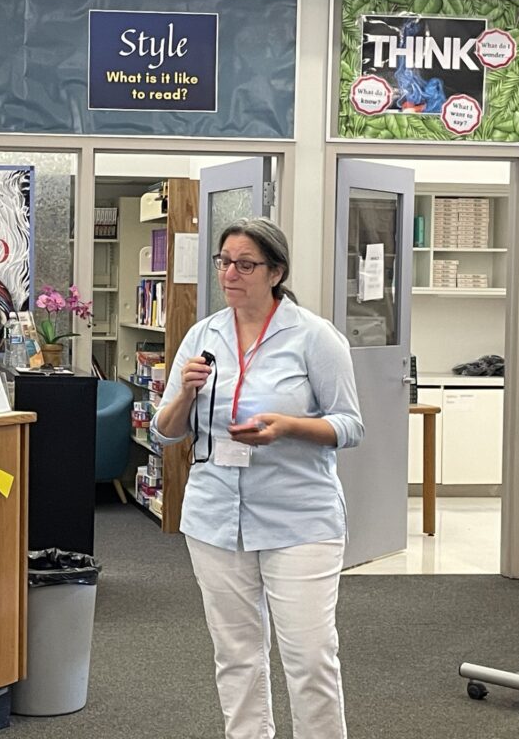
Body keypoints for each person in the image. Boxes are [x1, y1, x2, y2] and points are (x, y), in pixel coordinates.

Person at [151, 217, 363, 739]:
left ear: (276, 272)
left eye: (245, 264)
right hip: (215, 517)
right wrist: (184, 394)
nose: (230, 274)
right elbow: (166, 431)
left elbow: (350, 425)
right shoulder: (204, 335)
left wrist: (286, 427)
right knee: (236, 655)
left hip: (299, 519)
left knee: (310, 658)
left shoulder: (314, 336)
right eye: (224, 262)